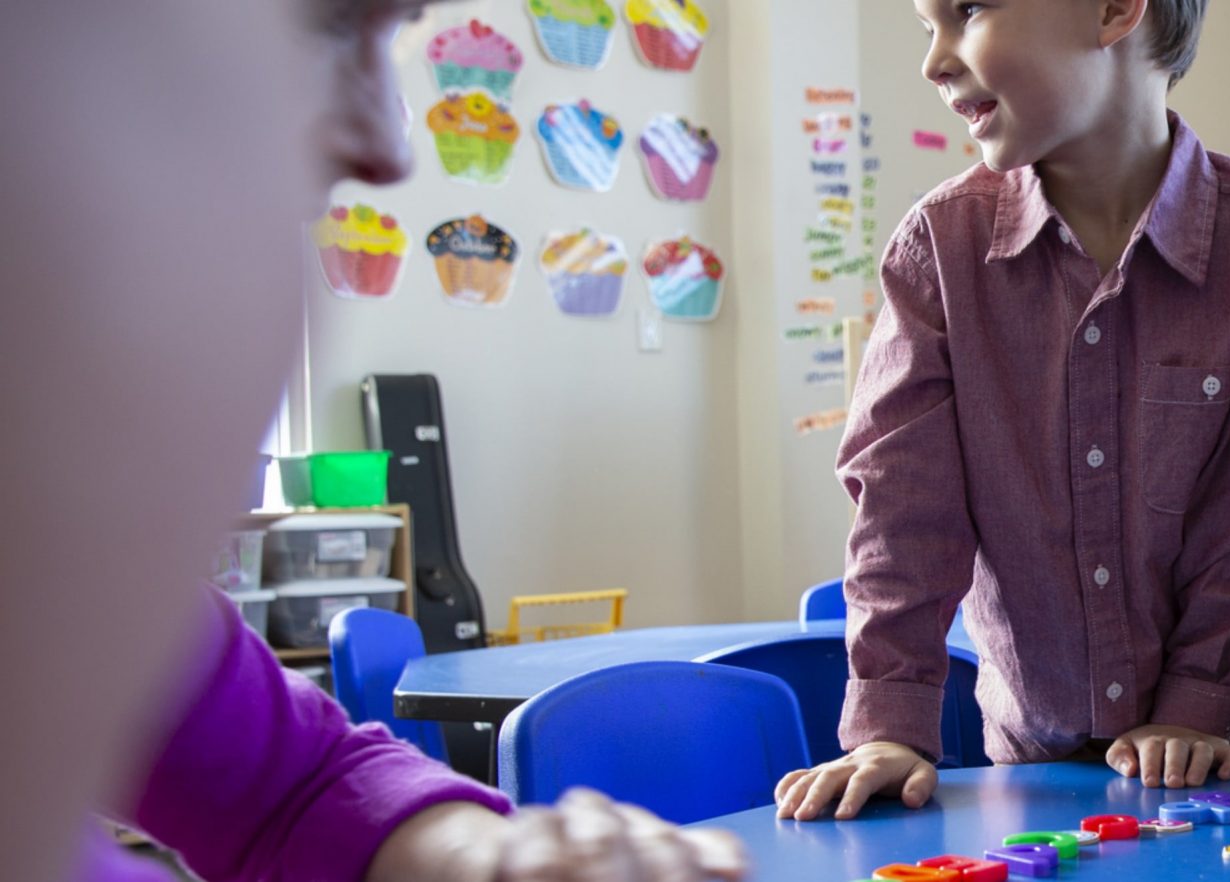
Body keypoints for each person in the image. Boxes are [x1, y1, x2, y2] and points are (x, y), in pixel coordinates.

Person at [0, 2, 746, 880]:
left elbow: (296, 786)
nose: (390, 142)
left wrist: (488, 860)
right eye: (322, 25)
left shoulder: (90, 587)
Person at [773, 0, 1230, 820]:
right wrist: (890, 727)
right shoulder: (938, 248)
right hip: (1041, 765)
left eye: (967, 12)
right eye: (924, 28)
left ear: (1113, 10)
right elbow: (902, 513)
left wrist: (1192, 703)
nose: (935, 62)